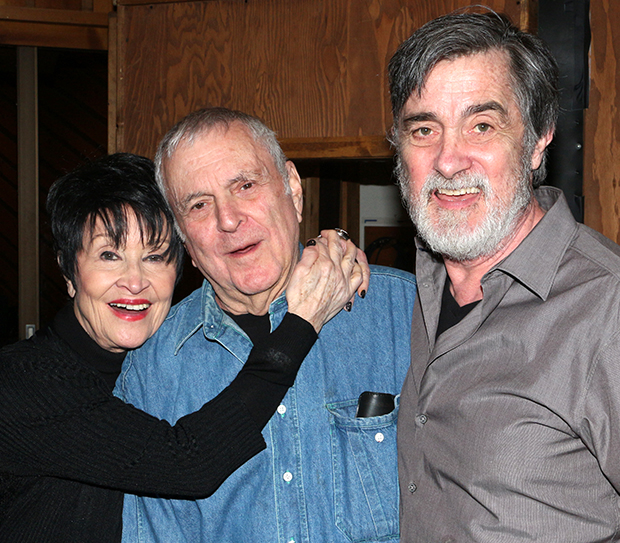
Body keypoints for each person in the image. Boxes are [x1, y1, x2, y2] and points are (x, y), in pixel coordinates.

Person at [0, 153, 364, 542]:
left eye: (155, 256)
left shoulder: (163, 361)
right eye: (110, 256)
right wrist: (303, 320)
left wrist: (324, 256)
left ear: (183, 263)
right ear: (69, 272)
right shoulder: (21, 384)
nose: (135, 282)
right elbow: (188, 462)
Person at [115, 107, 417, 543]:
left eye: (245, 185)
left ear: (292, 190)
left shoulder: (404, 313)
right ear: (184, 237)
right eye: (199, 205)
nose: (228, 219)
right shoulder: (152, 370)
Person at [389, 9, 620, 542]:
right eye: (424, 129)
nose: (448, 160)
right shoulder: (411, 293)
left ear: (539, 138)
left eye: (482, 125)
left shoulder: (605, 307)